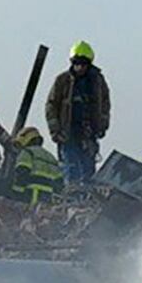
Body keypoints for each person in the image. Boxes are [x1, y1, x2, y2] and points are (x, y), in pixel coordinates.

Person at [44, 42, 111, 184]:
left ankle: (86, 195)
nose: (79, 67)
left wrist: (102, 126)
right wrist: (55, 130)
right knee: (70, 169)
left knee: (88, 172)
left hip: (88, 135)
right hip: (67, 134)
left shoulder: (98, 82)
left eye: (83, 64)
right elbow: (51, 106)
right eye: (76, 63)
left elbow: (105, 105)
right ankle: (71, 194)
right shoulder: (62, 80)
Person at [8, 127, 64, 208]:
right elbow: (59, 182)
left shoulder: (27, 153)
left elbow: (21, 173)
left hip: (30, 196)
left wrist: (15, 195)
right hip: (49, 199)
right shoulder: (51, 157)